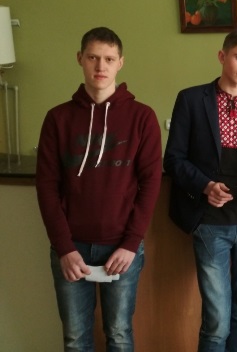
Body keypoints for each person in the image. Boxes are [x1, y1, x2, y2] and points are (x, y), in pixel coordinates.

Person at [36, 27, 163, 351]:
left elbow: (151, 183)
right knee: (75, 339)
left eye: (108, 59)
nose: (100, 66)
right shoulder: (57, 119)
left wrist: (131, 243)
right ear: (80, 58)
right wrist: (64, 247)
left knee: (119, 335)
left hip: (122, 248)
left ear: (120, 62)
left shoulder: (142, 117)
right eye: (93, 57)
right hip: (71, 248)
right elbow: (47, 186)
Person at [163, 28, 237, 352]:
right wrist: (205, 186)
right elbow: (173, 159)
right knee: (216, 321)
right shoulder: (191, 99)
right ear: (222, 56)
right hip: (210, 222)